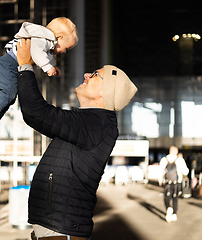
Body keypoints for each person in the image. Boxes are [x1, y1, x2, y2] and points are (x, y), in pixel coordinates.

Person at [16, 39, 138, 240]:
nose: (86, 75)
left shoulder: (96, 124)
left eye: (95, 74)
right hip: (57, 232)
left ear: (103, 93)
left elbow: (36, 112)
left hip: (61, 233)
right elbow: (41, 118)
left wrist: (25, 66)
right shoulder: (91, 123)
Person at [0, 17, 78, 137]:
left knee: (11, 97)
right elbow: (37, 53)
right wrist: (48, 67)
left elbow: (40, 56)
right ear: (59, 37)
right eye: (66, 48)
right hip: (7, 65)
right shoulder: (42, 38)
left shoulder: (46, 46)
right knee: (9, 93)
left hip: (10, 67)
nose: (64, 52)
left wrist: (52, 66)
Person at [159, 145, 189, 223]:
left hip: (167, 182)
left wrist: (160, 180)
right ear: (176, 151)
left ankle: (168, 208)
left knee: (166, 197)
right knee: (175, 198)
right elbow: (185, 171)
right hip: (177, 182)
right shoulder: (179, 160)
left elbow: (160, 171)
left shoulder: (164, 159)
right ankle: (174, 213)